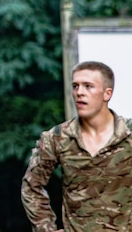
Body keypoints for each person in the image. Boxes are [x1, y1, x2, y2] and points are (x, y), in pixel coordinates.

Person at [22, 60, 132, 231]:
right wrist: (45, 228)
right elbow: (31, 186)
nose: (79, 92)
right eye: (75, 86)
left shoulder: (129, 134)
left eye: (88, 86)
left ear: (107, 93)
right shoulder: (57, 138)